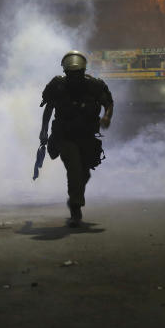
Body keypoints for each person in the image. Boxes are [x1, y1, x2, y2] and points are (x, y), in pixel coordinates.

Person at [39, 50, 114, 227]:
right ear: (66, 73)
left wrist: (107, 117)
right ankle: (75, 208)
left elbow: (108, 103)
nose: (74, 78)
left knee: (84, 173)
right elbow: (48, 108)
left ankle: (75, 197)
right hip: (64, 136)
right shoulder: (58, 86)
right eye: (71, 74)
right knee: (74, 168)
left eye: (78, 73)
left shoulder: (94, 86)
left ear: (83, 71)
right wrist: (43, 131)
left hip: (86, 136)